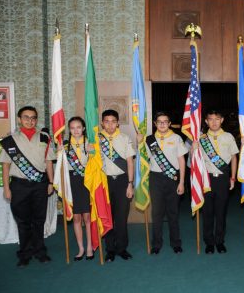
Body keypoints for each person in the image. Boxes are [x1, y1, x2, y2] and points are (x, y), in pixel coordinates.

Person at [0, 106, 55, 267]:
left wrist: (51, 182)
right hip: (19, 186)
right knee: (23, 221)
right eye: (26, 117)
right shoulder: (10, 140)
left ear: (36, 120)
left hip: (40, 185)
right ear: (19, 119)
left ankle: (40, 251)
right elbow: (6, 166)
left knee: (39, 220)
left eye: (33, 118)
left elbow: (49, 162)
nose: (30, 121)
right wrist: (6, 189)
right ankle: (24, 254)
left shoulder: (44, 138)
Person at [143, 111, 186, 254]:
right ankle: (156, 244)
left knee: (173, 212)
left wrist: (181, 182)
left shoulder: (176, 138)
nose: (162, 124)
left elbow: (181, 160)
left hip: (173, 178)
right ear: (155, 123)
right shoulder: (149, 140)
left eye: (165, 121)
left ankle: (176, 243)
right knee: (157, 213)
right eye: (159, 121)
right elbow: (144, 160)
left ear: (169, 123)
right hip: (155, 178)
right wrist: (139, 143)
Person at [197, 109, 238, 254]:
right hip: (206, 178)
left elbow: (234, 158)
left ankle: (220, 241)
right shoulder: (200, 139)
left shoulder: (228, 137)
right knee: (207, 212)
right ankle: (209, 242)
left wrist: (233, 177)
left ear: (222, 120)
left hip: (223, 178)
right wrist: (193, 150)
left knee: (221, 212)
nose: (214, 122)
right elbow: (194, 161)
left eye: (217, 119)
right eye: (210, 119)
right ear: (206, 121)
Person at [99, 109, 135, 262]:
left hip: (122, 181)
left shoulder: (125, 138)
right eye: (107, 121)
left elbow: (130, 163)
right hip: (104, 182)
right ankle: (110, 250)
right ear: (102, 123)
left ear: (118, 123)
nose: (110, 124)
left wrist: (130, 184)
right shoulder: (96, 140)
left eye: (113, 121)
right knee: (107, 217)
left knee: (121, 217)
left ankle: (121, 248)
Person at [64, 116, 93, 261]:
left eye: (78, 127)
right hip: (71, 183)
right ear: (69, 129)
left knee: (87, 217)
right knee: (76, 218)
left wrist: (92, 152)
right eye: (72, 128)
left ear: (83, 128)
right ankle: (81, 248)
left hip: (86, 182)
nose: (76, 130)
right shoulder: (64, 146)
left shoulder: (90, 143)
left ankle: (89, 247)